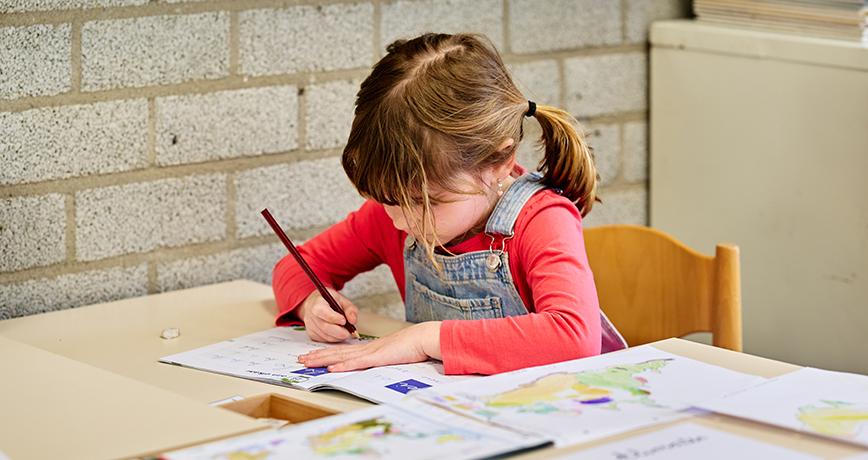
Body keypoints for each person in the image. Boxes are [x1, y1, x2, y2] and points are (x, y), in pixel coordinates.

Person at [272, 32, 626, 376]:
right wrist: (312, 303)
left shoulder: (541, 220)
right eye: (387, 199)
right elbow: (296, 265)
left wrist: (427, 339)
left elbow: (574, 337)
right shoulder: (397, 213)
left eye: (426, 202)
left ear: (499, 162)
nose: (399, 221)